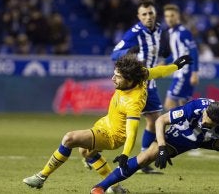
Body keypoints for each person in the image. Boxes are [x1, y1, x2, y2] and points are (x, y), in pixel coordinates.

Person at [23, 54, 191, 192]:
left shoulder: (133, 102)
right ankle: (115, 187)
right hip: (105, 123)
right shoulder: (140, 75)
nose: (112, 79)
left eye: (117, 77)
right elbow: (158, 72)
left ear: (129, 80)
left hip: (112, 135)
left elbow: (132, 131)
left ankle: (41, 177)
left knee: (69, 138)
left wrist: (125, 154)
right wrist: (176, 66)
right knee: (86, 153)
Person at [90, 98, 219, 194]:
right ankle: (100, 187)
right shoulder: (195, 108)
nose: (203, 120)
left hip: (210, 140)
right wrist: (163, 147)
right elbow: (161, 120)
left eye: (207, 123)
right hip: (182, 136)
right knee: (149, 154)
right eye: (204, 117)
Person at [110, 1, 165, 173]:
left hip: (151, 83)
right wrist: (129, 52)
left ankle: (143, 159)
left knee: (154, 120)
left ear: (155, 14)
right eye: (144, 14)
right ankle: (91, 152)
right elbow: (114, 54)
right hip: (135, 85)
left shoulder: (159, 29)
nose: (148, 17)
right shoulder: (133, 34)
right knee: (119, 128)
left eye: (150, 13)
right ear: (139, 17)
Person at [162, 4, 200, 110]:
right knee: (184, 106)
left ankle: (180, 126)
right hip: (180, 73)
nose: (169, 19)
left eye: (172, 15)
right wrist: (165, 62)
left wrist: (195, 72)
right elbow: (178, 53)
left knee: (169, 104)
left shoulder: (183, 32)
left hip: (184, 73)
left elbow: (193, 51)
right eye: (167, 16)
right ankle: (188, 126)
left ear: (177, 16)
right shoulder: (172, 32)